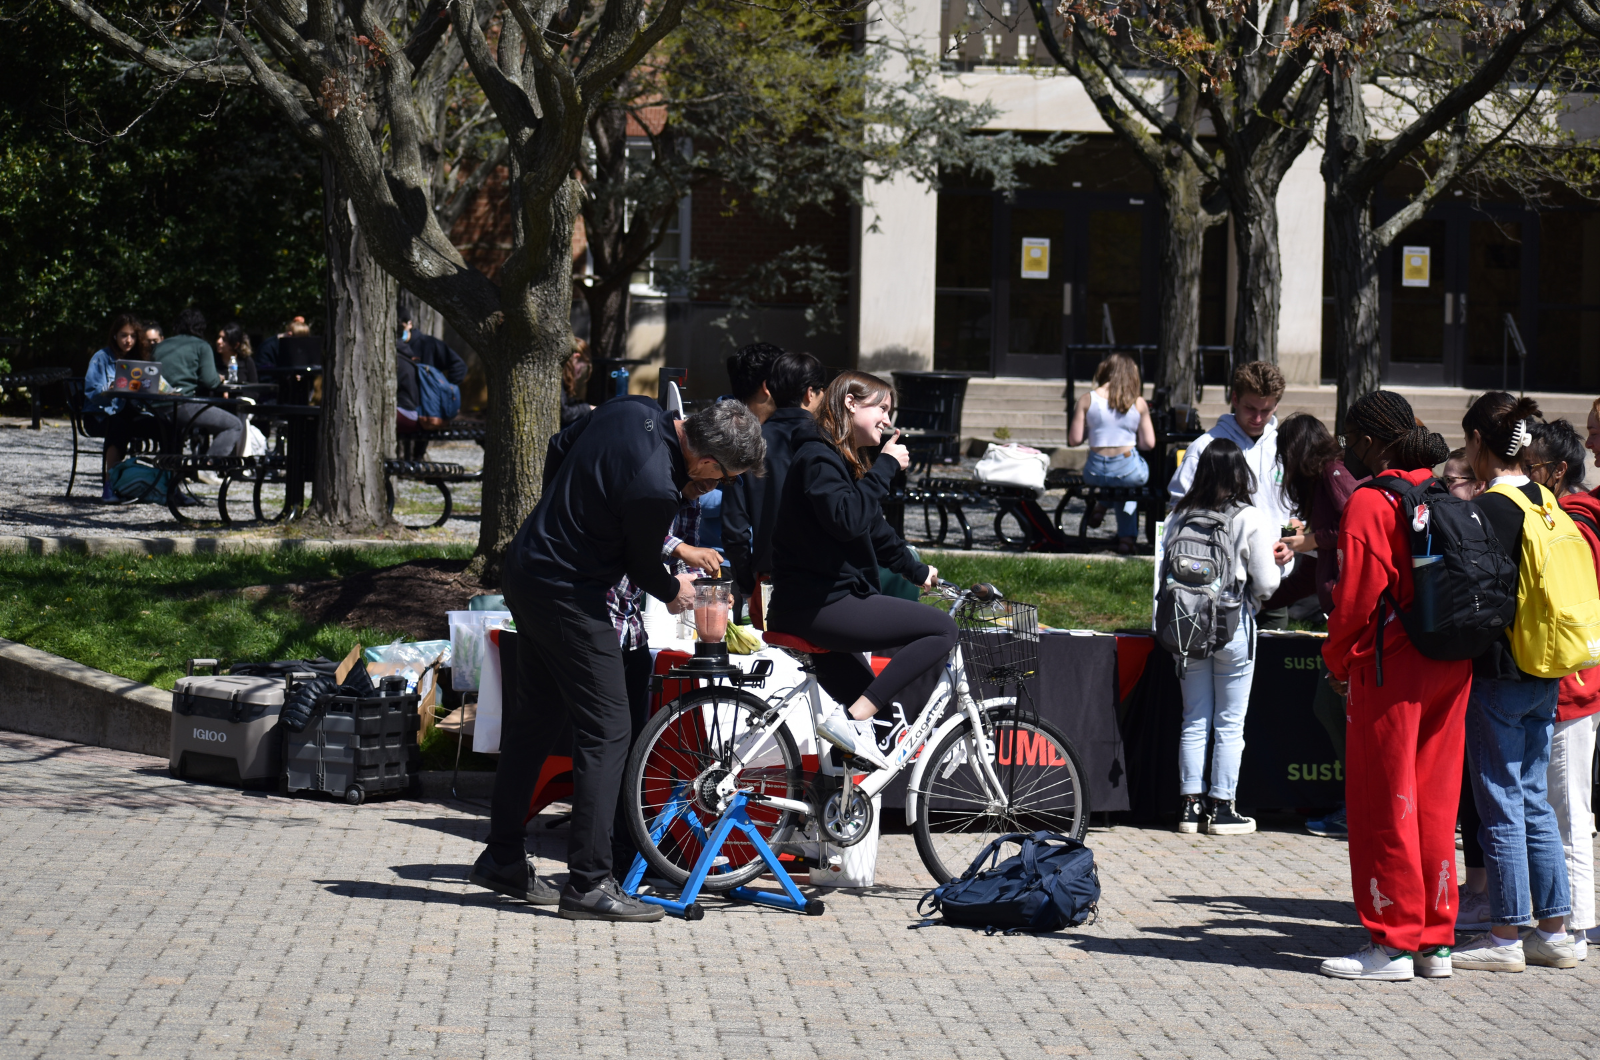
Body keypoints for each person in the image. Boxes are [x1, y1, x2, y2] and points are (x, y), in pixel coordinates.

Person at [470, 395, 765, 923]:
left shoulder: (631, 409)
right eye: (726, 476)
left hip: (529, 568)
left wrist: (558, 515)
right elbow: (642, 566)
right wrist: (676, 589)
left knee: (535, 722)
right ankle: (588, 883)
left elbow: (560, 447)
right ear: (706, 462)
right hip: (569, 596)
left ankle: (503, 857)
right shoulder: (657, 488)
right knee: (607, 733)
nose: (721, 486)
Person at [1317, 391, 1462, 982]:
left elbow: (1353, 603)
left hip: (1391, 666)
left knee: (1385, 802)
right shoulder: (1441, 489)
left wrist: (1337, 662)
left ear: (1373, 441)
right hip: (1451, 660)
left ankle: (1392, 942)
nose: (1347, 449)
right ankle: (1435, 940)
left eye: (1352, 438)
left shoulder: (1371, 502)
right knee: (1434, 803)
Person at [1448, 392, 1577, 972]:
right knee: (1533, 801)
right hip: (1546, 667)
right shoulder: (1546, 500)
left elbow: (1480, 600)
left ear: (1478, 443)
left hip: (1500, 672)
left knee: (1499, 801)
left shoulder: (1493, 510)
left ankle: (1504, 936)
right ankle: (1554, 932)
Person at [765, 371, 952, 768]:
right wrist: (884, 467)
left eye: (890, 411)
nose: (887, 419)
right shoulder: (817, 457)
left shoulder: (838, 460)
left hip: (819, 603)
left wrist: (916, 570)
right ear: (850, 403)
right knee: (942, 629)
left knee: (878, 722)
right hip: (819, 604)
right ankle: (853, 721)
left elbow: (872, 529)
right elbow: (848, 519)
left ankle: (823, 806)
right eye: (881, 408)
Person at [1168, 438, 1288, 837]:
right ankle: (1222, 809)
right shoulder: (1247, 517)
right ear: (1241, 473)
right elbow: (1269, 582)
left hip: (1185, 627)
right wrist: (1253, 599)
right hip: (1232, 626)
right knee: (1230, 721)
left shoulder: (1179, 516)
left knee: (1194, 718)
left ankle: (1189, 807)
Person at [1524, 417, 1600, 960]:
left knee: (1568, 807)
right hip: (1574, 676)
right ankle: (1567, 920)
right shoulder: (1575, 516)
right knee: (1563, 804)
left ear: (1555, 471)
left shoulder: (1575, 522)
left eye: (1532, 470)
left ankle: (1574, 925)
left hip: (1573, 679)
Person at [1274, 412, 1361, 839]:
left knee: (1333, 706)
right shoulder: (1327, 476)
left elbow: (1356, 523)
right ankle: (1356, 802)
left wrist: (1310, 539)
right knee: (1331, 707)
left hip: (1352, 615)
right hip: (1338, 612)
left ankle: (1358, 804)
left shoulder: (1332, 473)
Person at [1168, 361, 1297, 626]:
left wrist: (1295, 534)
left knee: (1272, 662)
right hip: (1216, 584)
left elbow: (1297, 509)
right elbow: (1178, 512)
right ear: (1235, 399)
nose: (1258, 417)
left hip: (1274, 579)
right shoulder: (1205, 447)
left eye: (1267, 410)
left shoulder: (1285, 449)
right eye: (1251, 408)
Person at [722, 349, 829, 609]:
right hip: (825, 582)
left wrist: (747, 583)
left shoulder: (749, 444)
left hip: (768, 581)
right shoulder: (831, 445)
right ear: (810, 393)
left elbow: (735, 529)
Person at [1068, 353, 1155, 554]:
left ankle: (1102, 506)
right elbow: (1148, 443)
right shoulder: (1138, 402)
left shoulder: (1087, 399)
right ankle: (1127, 540)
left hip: (1095, 471)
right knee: (1129, 484)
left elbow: (1074, 440)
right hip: (1127, 468)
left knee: (1117, 483)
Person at [84, 313, 162, 500]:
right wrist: (109, 390)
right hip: (100, 415)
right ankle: (109, 484)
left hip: (128, 413)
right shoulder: (102, 358)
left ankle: (166, 483)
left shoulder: (139, 360)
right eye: (123, 335)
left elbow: (146, 398)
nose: (128, 340)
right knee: (119, 425)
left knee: (164, 427)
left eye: (133, 336)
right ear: (114, 336)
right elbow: (91, 393)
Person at [153, 307, 244, 458]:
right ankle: (208, 465)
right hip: (181, 405)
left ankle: (173, 471)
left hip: (154, 406)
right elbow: (210, 381)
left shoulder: (161, 345)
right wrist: (218, 377)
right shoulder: (201, 346)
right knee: (234, 425)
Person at [561, 339, 593, 428]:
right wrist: (588, 408)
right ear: (576, 357)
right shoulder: (559, 377)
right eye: (580, 369)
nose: (579, 375)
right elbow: (564, 414)